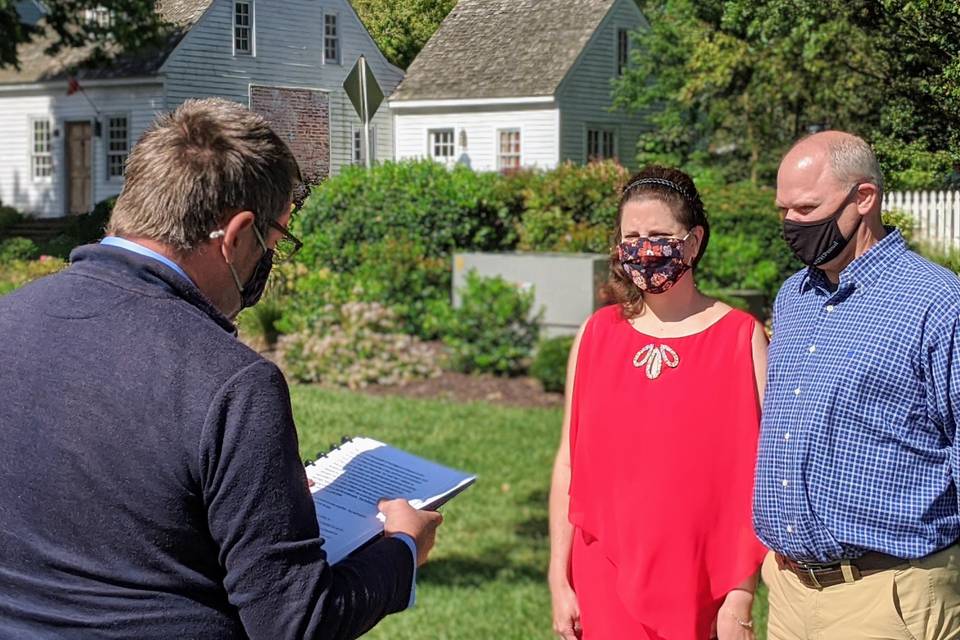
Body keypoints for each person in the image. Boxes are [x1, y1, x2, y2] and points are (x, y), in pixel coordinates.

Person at [0, 98, 442, 639]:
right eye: (275, 242)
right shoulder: (234, 384)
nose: (269, 262)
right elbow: (295, 623)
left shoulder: (8, 319)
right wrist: (401, 548)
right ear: (236, 237)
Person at [754, 130, 960, 639]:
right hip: (789, 593)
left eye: (805, 208)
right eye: (783, 210)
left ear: (863, 198)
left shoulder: (936, 302)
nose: (790, 224)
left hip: (890, 597)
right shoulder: (794, 296)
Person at [548, 166, 769, 640]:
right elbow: (569, 463)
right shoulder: (595, 335)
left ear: (692, 242)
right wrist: (557, 576)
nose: (643, 248)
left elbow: (756, 474)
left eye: (659, 234)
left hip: (698, 576)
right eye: (632, 236)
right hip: (601, 566)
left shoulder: (740, 337)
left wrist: (741, 594)